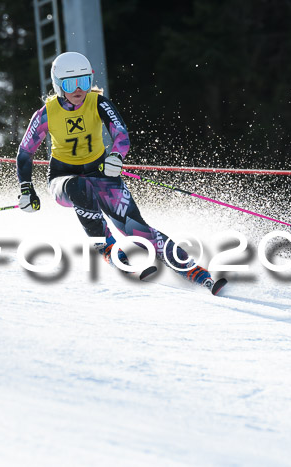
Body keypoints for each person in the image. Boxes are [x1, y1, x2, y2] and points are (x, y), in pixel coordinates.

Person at [16, 51, 215, 291]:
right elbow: (25, 152)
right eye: (70, 83)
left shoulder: (98, 103)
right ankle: (108, 248)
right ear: (59, 85)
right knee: (79, 187)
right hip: (62, 179)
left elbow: (121, 134)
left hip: (101, 174)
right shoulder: (46, 114)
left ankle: (192, 269)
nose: (79, 89)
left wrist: (116, 157)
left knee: (136, 229)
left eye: (84, 81)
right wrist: (27, 189)